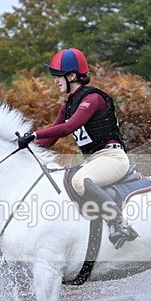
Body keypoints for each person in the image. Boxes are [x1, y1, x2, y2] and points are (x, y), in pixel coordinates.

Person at [17, 48, 138, 249]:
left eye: (58, 75)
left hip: (113, 158)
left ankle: (120, 223)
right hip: (95, 161)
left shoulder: (93, 99)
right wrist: (22, 148)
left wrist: (35, 134)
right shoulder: (69, 105)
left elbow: (68, 127)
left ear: (72, 76)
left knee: (80, 180)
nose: (55, 80)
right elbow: (51, 139)